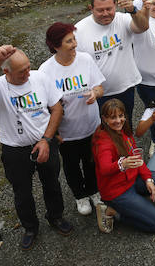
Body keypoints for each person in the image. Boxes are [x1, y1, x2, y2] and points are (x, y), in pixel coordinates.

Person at [0, 45, 71, 249]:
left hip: (46, 142)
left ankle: (56, 217)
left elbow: (56, 109)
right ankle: (30, 227)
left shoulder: (40, 78)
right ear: (6, 71)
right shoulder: (0, 86)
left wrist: (47, 140)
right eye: (22, 71)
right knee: (22, 192)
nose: (28, 73)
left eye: (29, 67)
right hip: (15, 149)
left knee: (52, 183)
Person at [39, 23, 105, 216]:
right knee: (71, 165)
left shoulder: (85, 60)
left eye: (74, 39)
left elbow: (100, 88)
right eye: (69, 41)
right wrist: (54, 133)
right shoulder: (46, 70)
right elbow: (45, 107)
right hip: (67, 133)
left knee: (92, 161)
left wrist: (94, 92)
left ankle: (93, 190)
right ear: (56, 46)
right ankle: (80, 195)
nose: (75, 44)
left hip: (92, 126)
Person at [92, 99, 155, 234]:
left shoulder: (123, 130)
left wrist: (148, 180)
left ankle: (135, 202)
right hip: (117, 191)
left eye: (121, 116)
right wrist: (122, 164)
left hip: (132, 179)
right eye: (113, 117)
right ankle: (112, 211)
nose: (118, 120)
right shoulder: (103, 142)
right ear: (104, 119)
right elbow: (105, 168)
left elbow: (137, 159)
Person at [75, 0, 150, 125]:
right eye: (100, 10)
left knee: (125, 127)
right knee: (102, 132)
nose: (105, 14)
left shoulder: (123, 19)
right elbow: (74, 64)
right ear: (91, 8)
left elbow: (143, 26)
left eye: (109, 9)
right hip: (98, 95)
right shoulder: (79, 30)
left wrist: (133, 10)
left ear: (115, 4)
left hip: (125, 88)